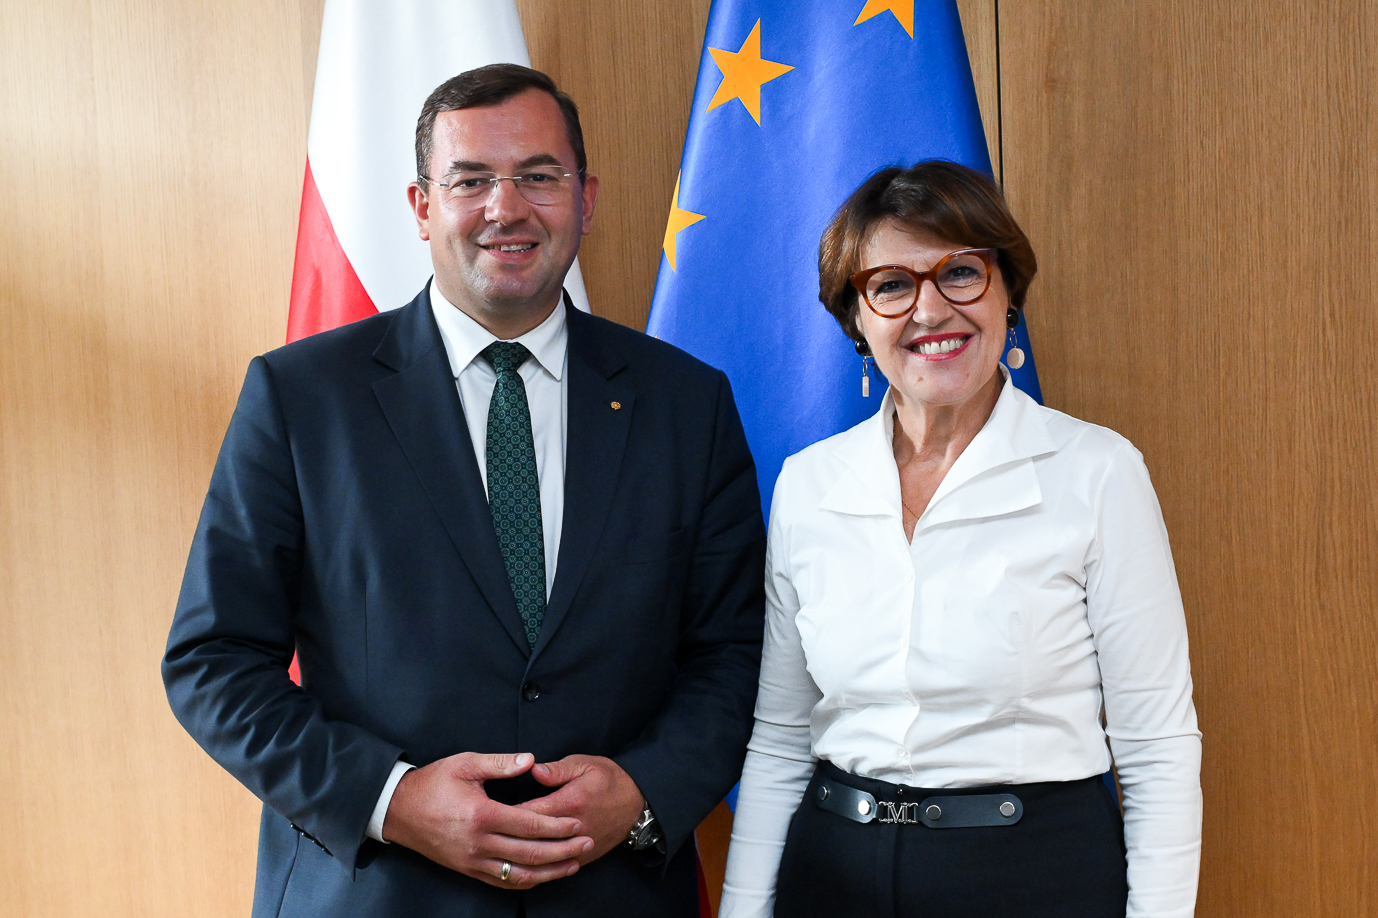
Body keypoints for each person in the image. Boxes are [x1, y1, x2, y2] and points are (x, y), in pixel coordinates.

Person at [163, 64, 765, 918]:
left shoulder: (687, 404)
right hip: (375, 896)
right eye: (470, 180)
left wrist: (640, 792)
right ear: (421, 207)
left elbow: (734, 655)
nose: (504, 208)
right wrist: (393, 800)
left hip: (613, 895)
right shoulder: (301, 399)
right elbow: (212, 661)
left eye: (538, 176)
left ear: (586, 199)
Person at [718, 161, 1201, 918]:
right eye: (891, 285)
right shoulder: (808, 484)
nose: (930, 308)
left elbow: (1156, 743)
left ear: (1009, 292)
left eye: (961, 273)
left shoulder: (1098, 471)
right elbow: (780, 738)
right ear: (857, 318)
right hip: (832, 873)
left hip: (1035, 878)